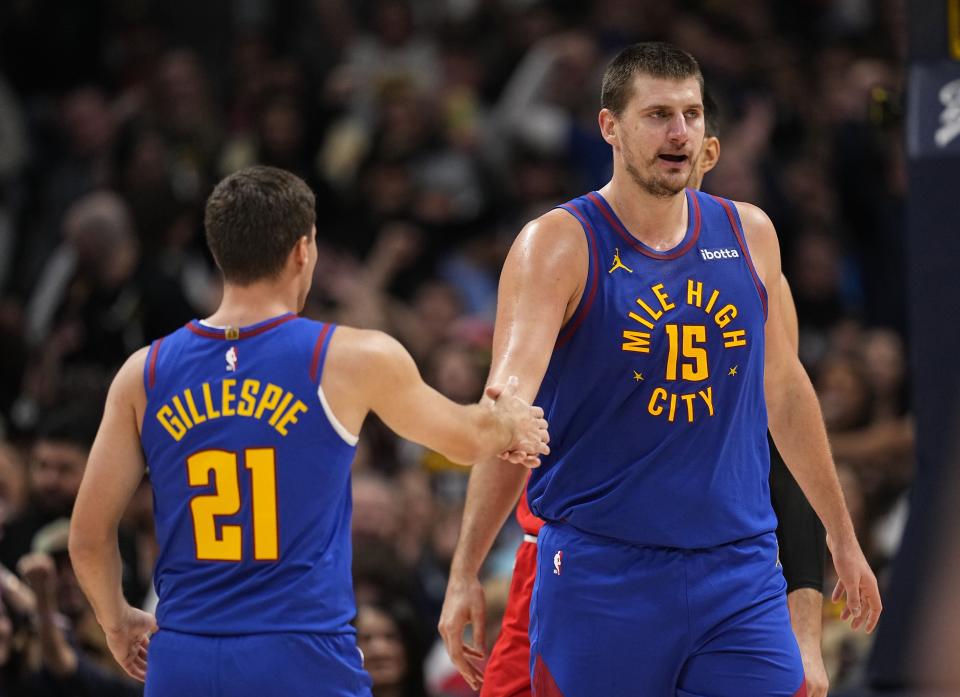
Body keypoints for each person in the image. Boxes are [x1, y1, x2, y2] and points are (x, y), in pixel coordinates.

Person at [439, 42, 879, 696]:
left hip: (739, 571)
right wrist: (466, 567)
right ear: (609, 128)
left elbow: (785, 395)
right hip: (603, 573)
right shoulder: (559, 243)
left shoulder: (750, 233)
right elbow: (508, 405)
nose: (678, 132)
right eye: (658, 115)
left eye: (692, 114)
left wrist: (840, 537)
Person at [67, 165, 550, 697]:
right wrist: (510, 423)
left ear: (218, 251)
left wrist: (115, 620)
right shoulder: (349, 357)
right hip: (300, 657)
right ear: (303, 251)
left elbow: (88, 537)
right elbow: (466, 439)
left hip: (185, 657)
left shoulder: (144, 372)